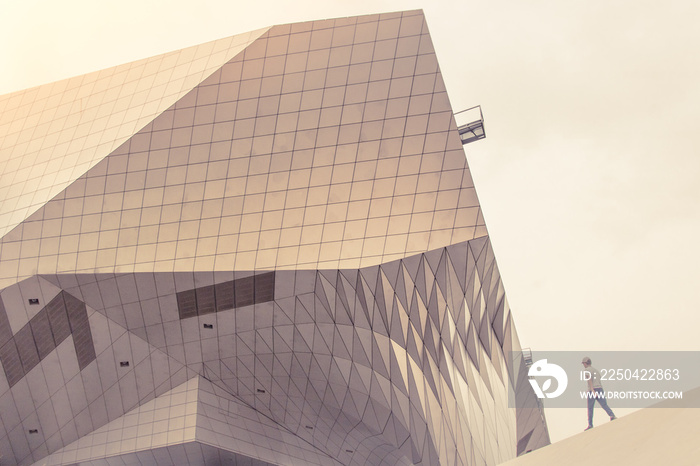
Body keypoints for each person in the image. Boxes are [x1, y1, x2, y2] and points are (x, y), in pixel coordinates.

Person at [581, 356, 617, 430]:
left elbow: (589, 380)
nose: (583, 365)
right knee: (604, 404)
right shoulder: (596, 370)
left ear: (585, 363)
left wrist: (592, 390)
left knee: (590, 408)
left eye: (583, 363)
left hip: (592, 390)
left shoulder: (586, 370)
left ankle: (590, 424)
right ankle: (612, 415)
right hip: (600, 388)